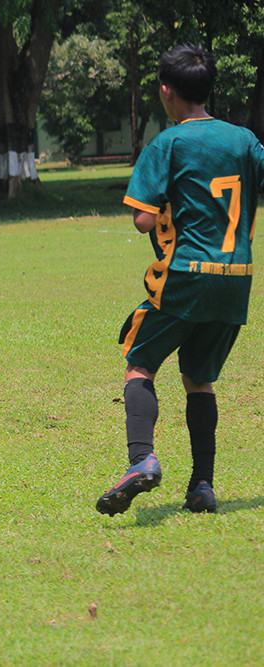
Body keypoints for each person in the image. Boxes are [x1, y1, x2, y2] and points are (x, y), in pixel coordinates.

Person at [96, 45, 264, 516]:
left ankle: (141, 460)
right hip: (236, 278)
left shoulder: (167, 144)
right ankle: (202, 485)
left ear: (166, 91)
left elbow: (143, 221)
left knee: (139, 363)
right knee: (199, 378)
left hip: (187, 275)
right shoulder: (245, 140)